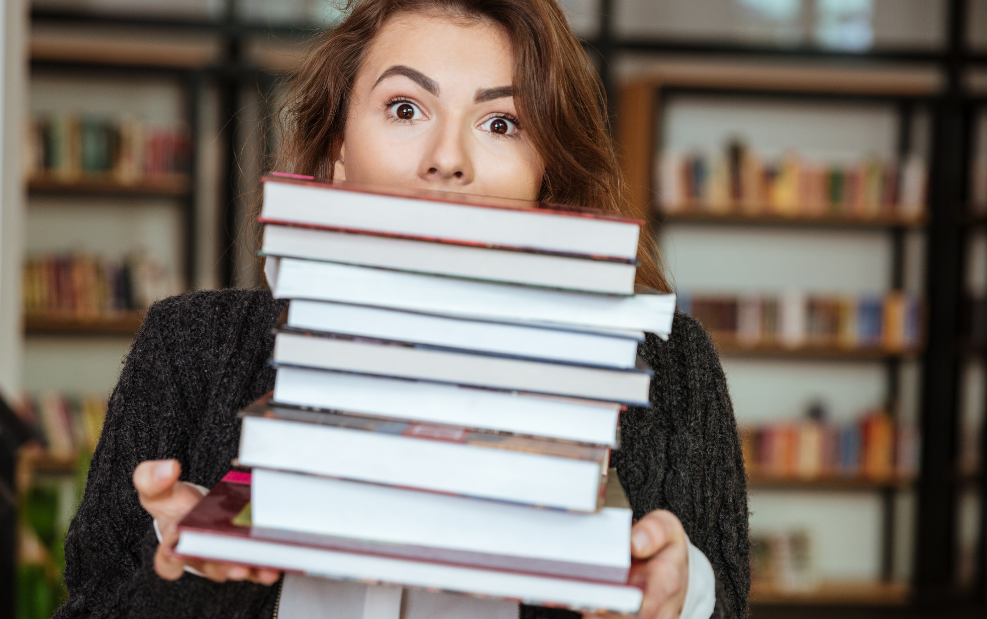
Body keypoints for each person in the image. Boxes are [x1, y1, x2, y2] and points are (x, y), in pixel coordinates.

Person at [54, 1, 750, 618]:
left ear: (547, 179)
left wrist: (676, 596)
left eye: (501, 121)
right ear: (337, 153)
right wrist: (194, 567)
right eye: (405, 108)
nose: (447, 159)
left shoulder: (668, 365)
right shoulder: (189, 347)